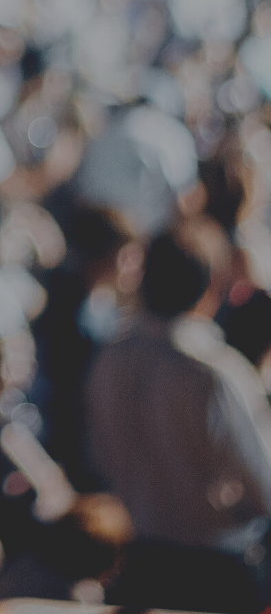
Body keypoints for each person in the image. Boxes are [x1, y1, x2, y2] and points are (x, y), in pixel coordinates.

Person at [85, 226, 271, 613]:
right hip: (216, 567)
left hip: (143, 558)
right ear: (211, 287)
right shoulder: (214, 373)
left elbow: (99, 455)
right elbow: (263, 485)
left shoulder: (110, 359)